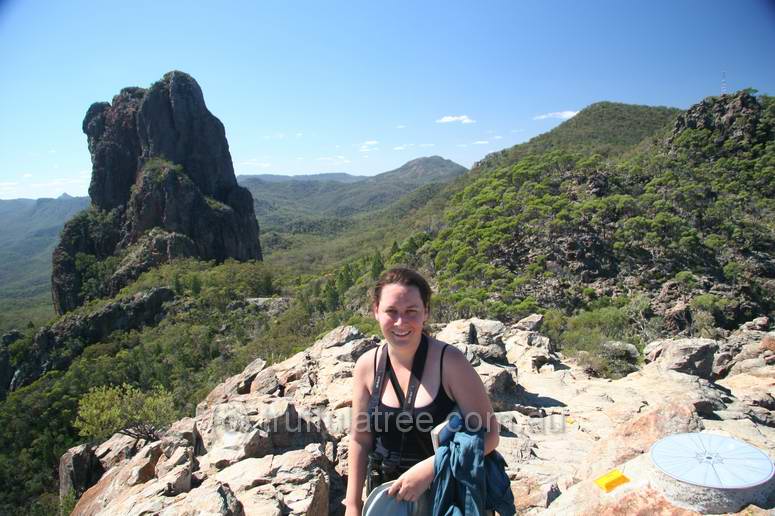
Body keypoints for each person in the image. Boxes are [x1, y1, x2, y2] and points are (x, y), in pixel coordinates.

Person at [344, 268, 500, 515]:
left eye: (411, 312)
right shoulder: (367, 365)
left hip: (445, 494)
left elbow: (490, 434)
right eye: (391, 312)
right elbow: (360, 439)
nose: (400, 323)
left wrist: (434, 467)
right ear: (375, 311)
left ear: (426, 311)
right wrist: (353, 505)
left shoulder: (450, 363)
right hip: (387, 497)